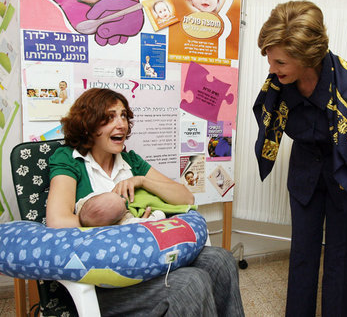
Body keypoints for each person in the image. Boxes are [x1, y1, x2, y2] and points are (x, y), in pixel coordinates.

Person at [46, 88, 244, 316]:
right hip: (104, 280)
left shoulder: (131, 161)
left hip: (149, 260)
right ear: (88, 126)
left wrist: (142, 181)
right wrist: (116, 220)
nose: (121, 124)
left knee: (222, 260)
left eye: (123, 116)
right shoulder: (69, 160)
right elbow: (57, 222)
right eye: (110, 117)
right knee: (190, 282)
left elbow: (185, 197)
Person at [253, 0, 347, 316]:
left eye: (280, 62)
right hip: (304, 176)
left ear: (306, 56)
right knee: (302, 253)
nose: (272, 69)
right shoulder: (279, 84)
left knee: (343, 255)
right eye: (271, 60)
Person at [77, 191, 165, 226]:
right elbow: (157, 219)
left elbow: (92, 200)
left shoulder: (82, 205)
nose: (124, 199)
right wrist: (158, 213)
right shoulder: (127, 223)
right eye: (123, 205)